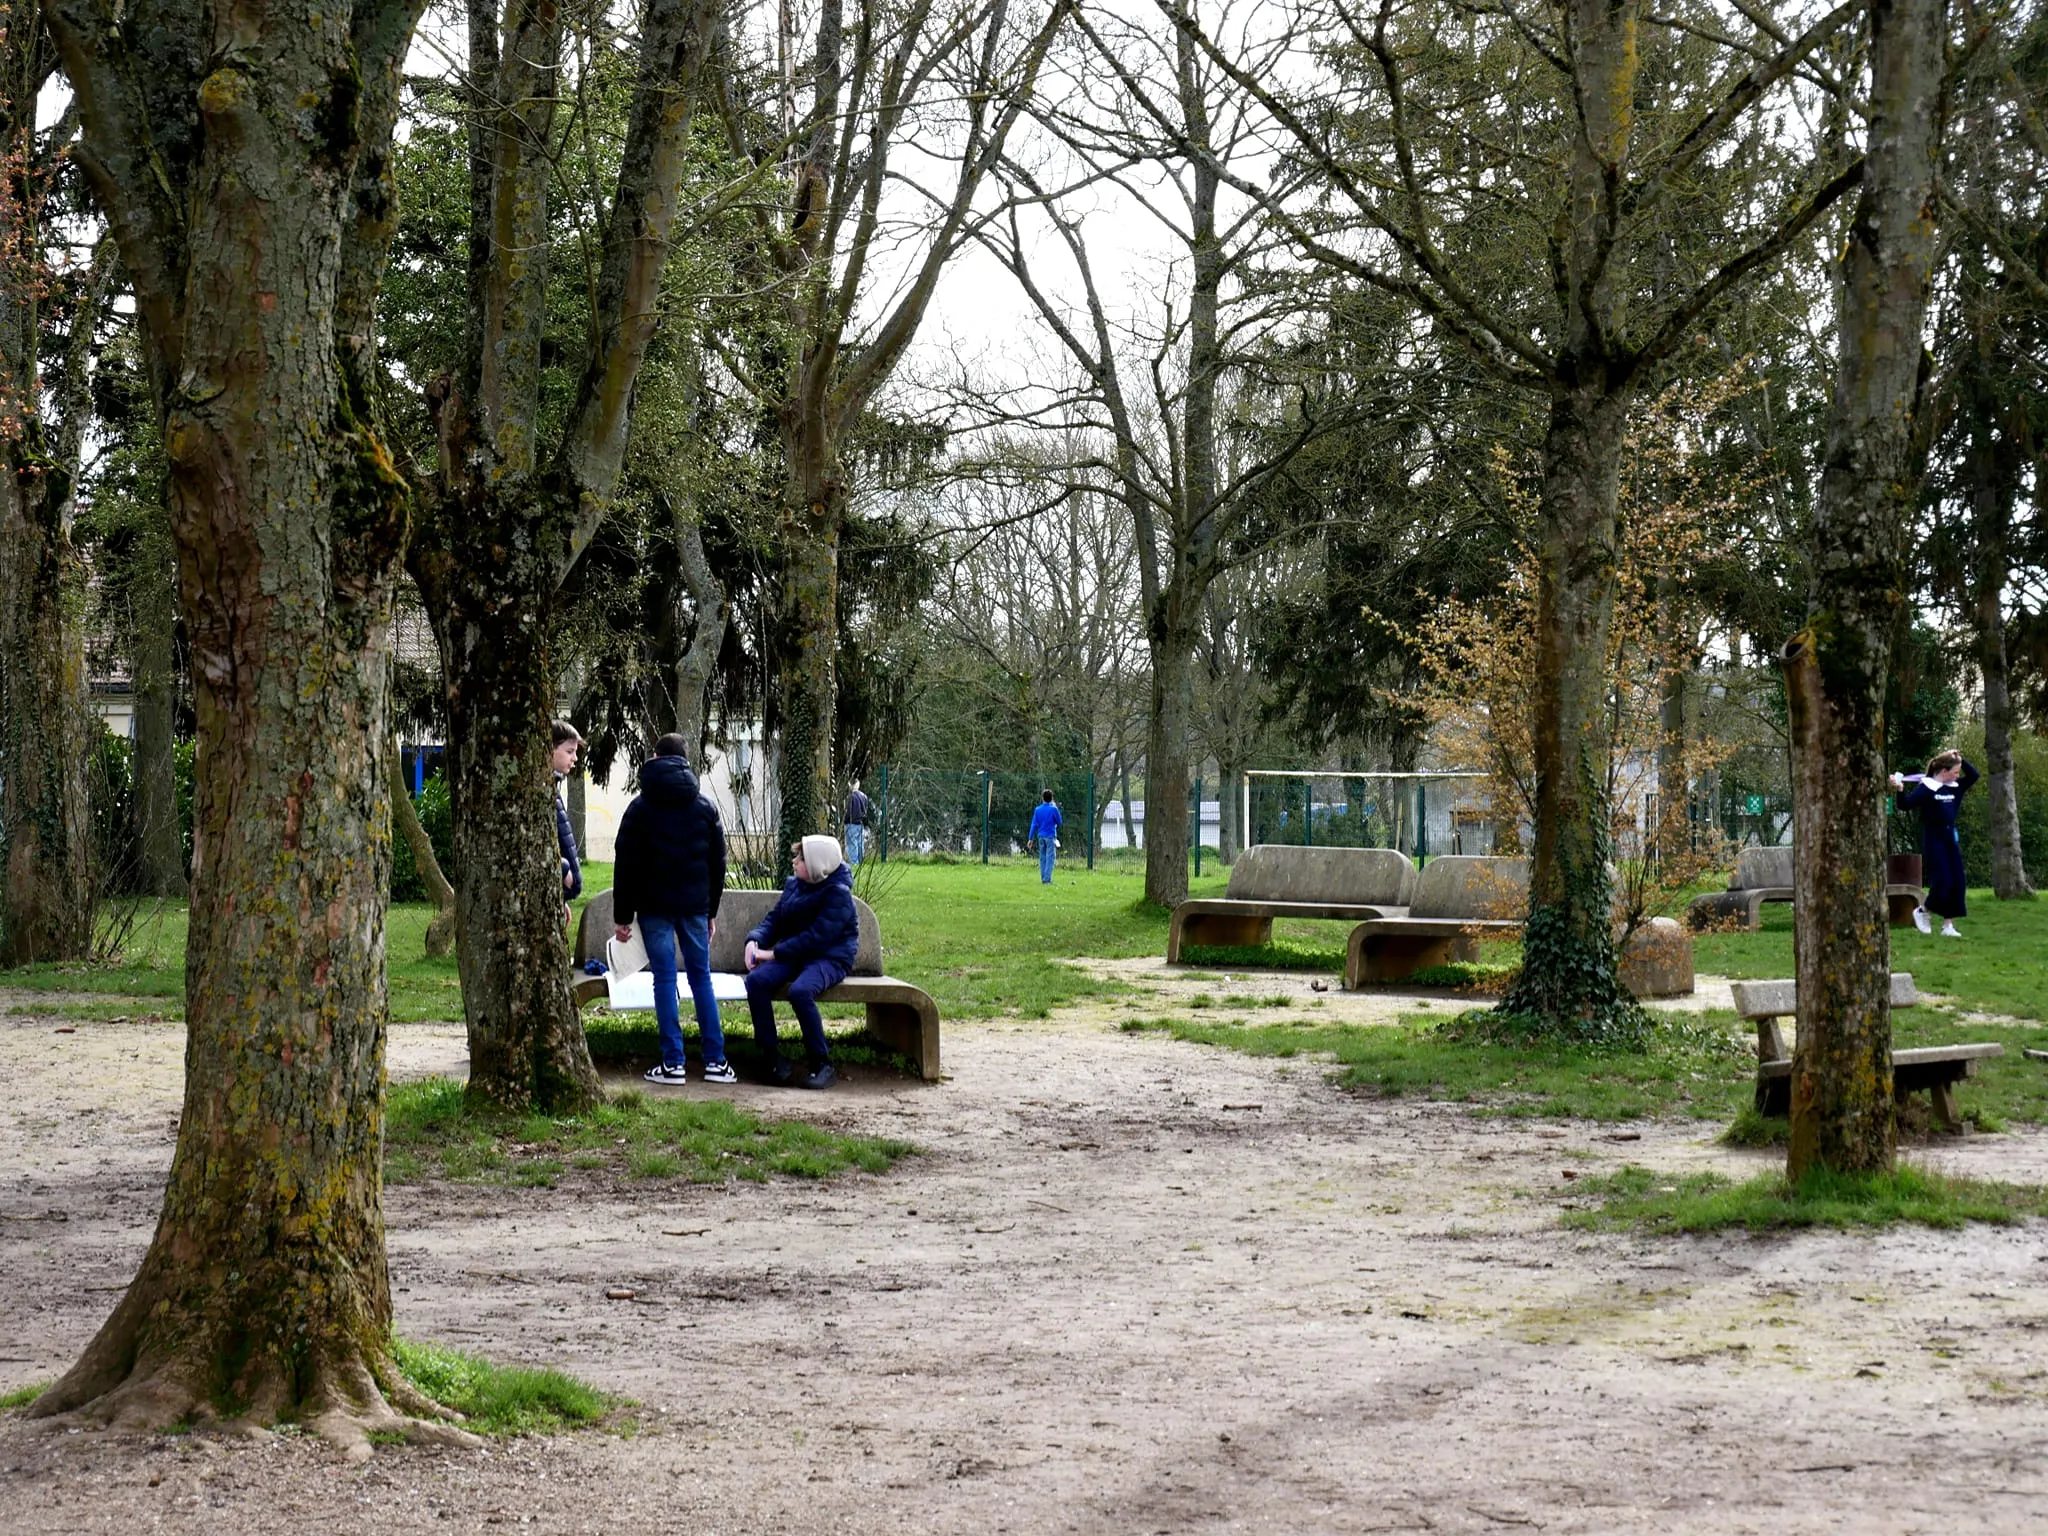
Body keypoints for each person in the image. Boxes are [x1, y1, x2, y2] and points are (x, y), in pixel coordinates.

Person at [613, 733, 732, 1084]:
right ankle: (716, 1062)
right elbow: (718, 863)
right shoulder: (705, 807)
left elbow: (626, 863)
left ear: (654, 757)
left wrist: (623, 916)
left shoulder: (639, 807)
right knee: (701, 978)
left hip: (654, 908)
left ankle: (673, 1063)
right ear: (685, 760)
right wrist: (710, 909)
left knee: (664, 979)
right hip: (694, 906)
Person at [744, 835, 859, 1090]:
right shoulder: (795, 885)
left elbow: (817, 938)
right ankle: (771, 1058)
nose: (794, 862)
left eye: (801, 858)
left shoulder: (838, 894)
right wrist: (754, 941)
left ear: (818, 865)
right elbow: (775, 921)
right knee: (757, 982)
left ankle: (821, 1063)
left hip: (830, 956)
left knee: (800, 991)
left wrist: (772, 954)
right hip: (796, 953)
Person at [1893, 750, 1979, 938]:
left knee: (1957, 882)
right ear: (1944, 770)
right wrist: (1900, 790)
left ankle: (1948, 926)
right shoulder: (1926, 789)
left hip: (1951, 838)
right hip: (1934, 839)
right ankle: (1923, 911)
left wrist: (1960, 759)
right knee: (1943, 881)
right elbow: (1904, 805)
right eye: (1955, 771)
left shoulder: (1955, 787)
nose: (1958, 775)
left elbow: (1974, 775)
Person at [551, 721, 583, 911]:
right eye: (569, 751)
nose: (575, 758)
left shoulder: (553, 786)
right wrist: (563, 868)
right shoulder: (542, 789)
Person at [1027, 789, 1062, 884]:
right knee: (1050, 857)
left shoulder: (1037, 809)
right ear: (1052, 798)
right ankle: (1047, 879)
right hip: (1050, 835)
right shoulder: (1054, 809)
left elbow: (1034, 824)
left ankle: (1043, 877)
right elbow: (1059, 822)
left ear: (1042, 798)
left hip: (1041, 836)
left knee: (1042, 857)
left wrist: (1030, 838)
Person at [844, 780, 871, 866]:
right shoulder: (864, 796)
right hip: (861, 824)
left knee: (852, 844)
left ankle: (854, 863)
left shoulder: (850, 797)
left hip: (851, 823)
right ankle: (860, 862)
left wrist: (845, 820)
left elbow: (848, 812)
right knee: (860, 844)